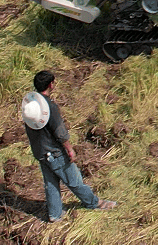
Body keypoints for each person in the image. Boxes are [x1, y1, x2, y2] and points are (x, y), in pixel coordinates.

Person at [23, 71, 117, 222]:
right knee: (74, 181)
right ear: (50, 85)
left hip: (40, 152)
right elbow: (60, 132)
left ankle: (55, 214)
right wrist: (70, 149)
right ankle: (94, 203)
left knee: (51, 183)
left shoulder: (30, 106)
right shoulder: (50, 108)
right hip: (54, 153)